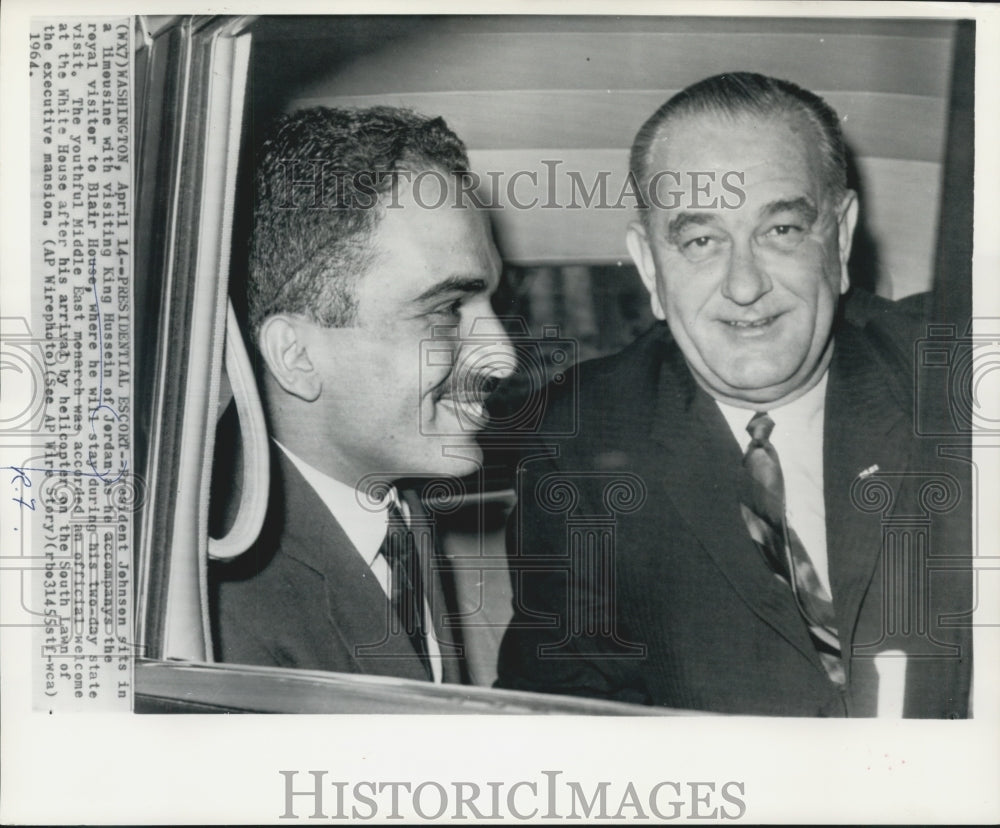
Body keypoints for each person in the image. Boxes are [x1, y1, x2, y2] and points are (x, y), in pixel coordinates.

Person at [496, 72, 972, 716]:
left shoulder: (953, 373)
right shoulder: (579, 442)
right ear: (648, 267)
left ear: (841, 236)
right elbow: (559, 711)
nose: (744, 286)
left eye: (780, 231)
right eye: (700, 241)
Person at [210, 106, 514, 684]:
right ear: (296, 356)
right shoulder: (219, 609)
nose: (502, 355)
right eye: (448, 310)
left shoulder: (395, 498)